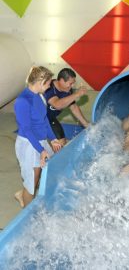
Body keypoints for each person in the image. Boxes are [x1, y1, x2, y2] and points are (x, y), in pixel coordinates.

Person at [14, 66, 61, 208]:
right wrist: (41, 150)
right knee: (31, 182)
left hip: (39, 141)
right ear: (41, 82)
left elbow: (44, 118)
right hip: (28, 144)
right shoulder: (23, 101)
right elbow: (27, 130)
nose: (48, 87)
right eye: (47, 84)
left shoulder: (40, 96)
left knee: (38, 175)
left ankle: (20, 194)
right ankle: (27, 214)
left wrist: (52, 138)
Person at [44, 68, 89, 146]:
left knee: (61, 143)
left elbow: (74, 107)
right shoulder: (49, 87)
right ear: (61, 80)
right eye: (70, 83)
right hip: (38, 119)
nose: (72, 86)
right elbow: (57, 105)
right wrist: (77, 94)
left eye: (73, 83)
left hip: (50, 119)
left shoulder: (67, 89)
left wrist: (86, 124)